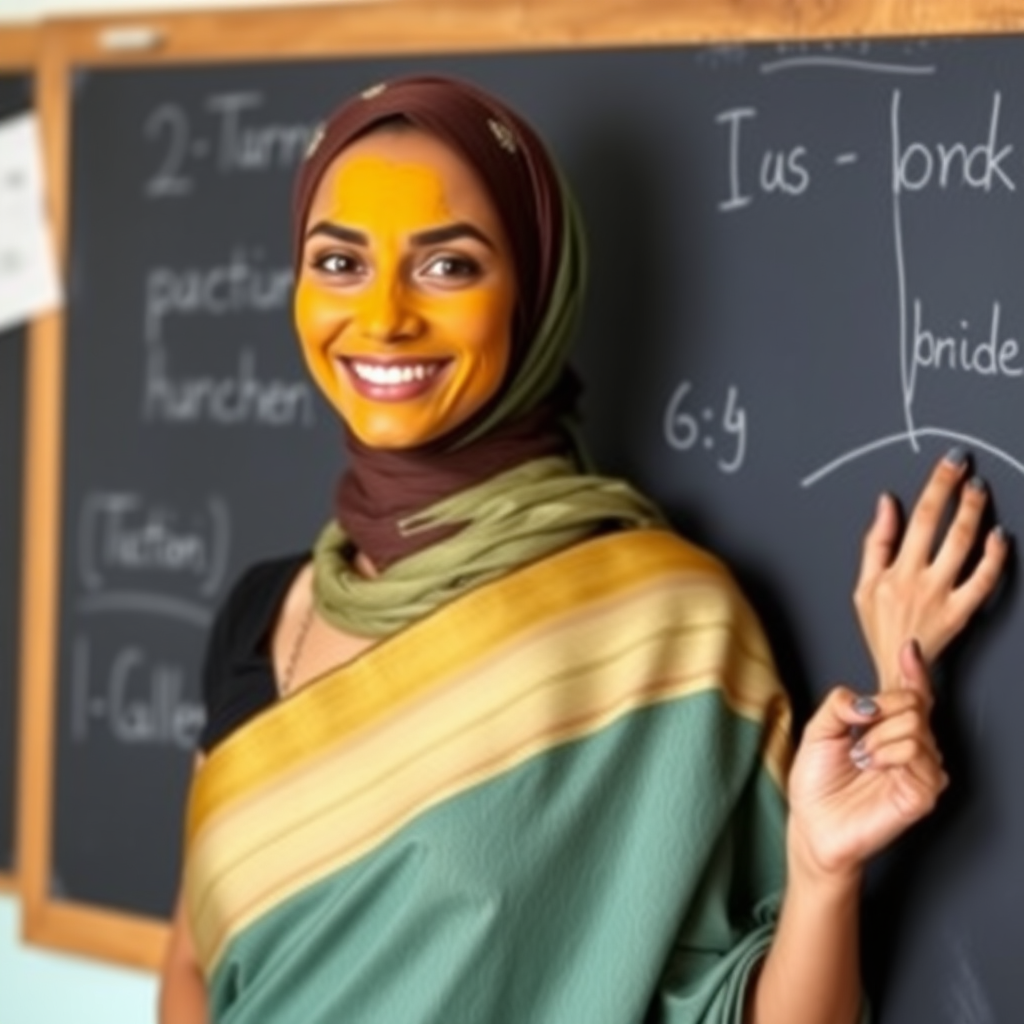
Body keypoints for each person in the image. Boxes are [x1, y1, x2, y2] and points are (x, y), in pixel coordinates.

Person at [158, 75, 1008, 1024]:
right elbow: (192, 968)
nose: (385, 315)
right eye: (339, 262)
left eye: (448, 267)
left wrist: (820, 865)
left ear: (536, 291)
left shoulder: (664, 626)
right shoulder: (257, 616)